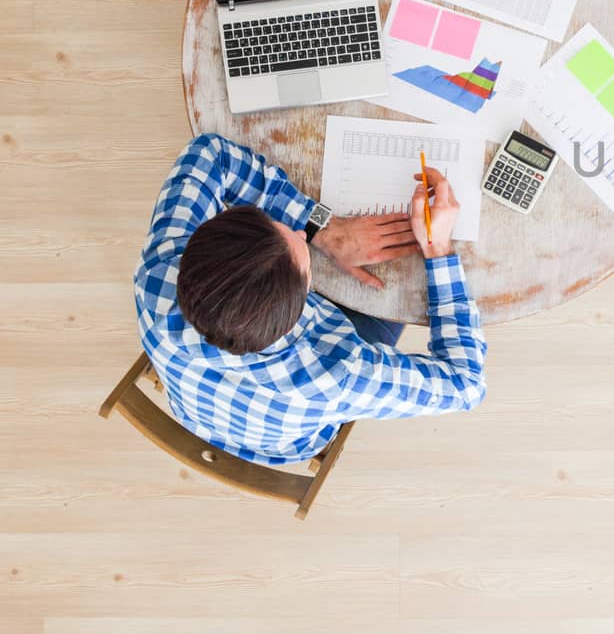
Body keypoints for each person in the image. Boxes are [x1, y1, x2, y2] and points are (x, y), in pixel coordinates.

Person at [133, 132, 486, 465]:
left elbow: (210, 153)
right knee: (394, 296)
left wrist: (325, 229)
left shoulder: (159, 276)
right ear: (302, 305)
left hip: (198, 414)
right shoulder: (338, 373)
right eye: (302, 248)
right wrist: (439, 250)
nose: (302, 232)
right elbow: (466, 384)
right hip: (287, 445)